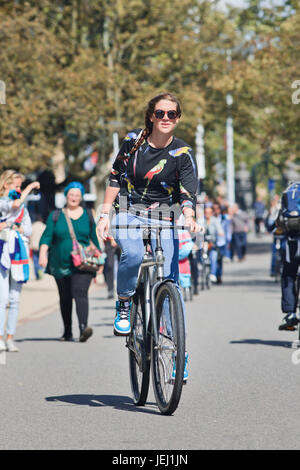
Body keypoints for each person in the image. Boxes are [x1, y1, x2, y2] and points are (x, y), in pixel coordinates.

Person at [97, 92, 200, 379]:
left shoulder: (182, 153)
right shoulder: (134, 141)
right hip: (129, 209)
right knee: (131, 254)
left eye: (172, 114)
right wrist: (104, 215)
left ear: (178, 118)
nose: (166, 119)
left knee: (170, 281)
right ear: (151, 116)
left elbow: (188, 192)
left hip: (165, 213)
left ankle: (177, 350)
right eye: (160, 113)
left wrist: (190, 219)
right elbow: (116, 176)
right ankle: (125, 303)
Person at [39, 182, 101, 342]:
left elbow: (93, 237)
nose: (74, 198)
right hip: (60, 263)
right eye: (71, 195)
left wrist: (100, 259)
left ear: (81, 198)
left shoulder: (87, 214)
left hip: (83, 262)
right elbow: (46, 237)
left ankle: (83, 328)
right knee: (65, 296)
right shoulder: (56, 215)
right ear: (66, 196)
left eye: (77, 195)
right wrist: (42, 254)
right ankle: (67, 331)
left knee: (80, 292)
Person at [0, 170, 38, 352]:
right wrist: (31, 187)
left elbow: (28, 229)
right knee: (3, 297)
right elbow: (13, 205)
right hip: (2, 251)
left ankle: (10, 336)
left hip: (18, 252)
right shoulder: (3, 202)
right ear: (5, 184)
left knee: (15, 298)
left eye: (20, 187)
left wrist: (14, 226)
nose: (19, 189)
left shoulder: (22, 207)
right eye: (16, 186)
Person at [203, 204, 224, 283]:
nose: (207, 214)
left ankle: (213, 274)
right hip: (204, 242)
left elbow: (220, 229)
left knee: (213, 257)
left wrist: (220, 232)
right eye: (206, 212)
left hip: (212, 243)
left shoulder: (215, 220)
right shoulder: (201, 220)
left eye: (209, 212)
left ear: (212, 213)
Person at [29, 214, 46, 280]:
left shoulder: (33, 226)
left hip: (34, 246)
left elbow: (29, 235)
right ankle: (41, 270)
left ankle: (37, 273)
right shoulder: (44, 226)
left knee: (35, 260)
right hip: (42, 246)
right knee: (42, 258)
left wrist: (30, 243)